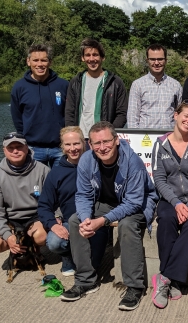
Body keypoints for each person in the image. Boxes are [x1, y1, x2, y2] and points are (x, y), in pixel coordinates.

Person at [60, 121, 159, 311]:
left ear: (116, 141)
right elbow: (83, 195)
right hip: (105, 203)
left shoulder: (133, 162)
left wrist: (102, 221)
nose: (102, 147)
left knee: (127, 225)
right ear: (90, 145)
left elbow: (133, 203)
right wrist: (86, 218)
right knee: (75, 220)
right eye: (97, 143)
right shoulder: (86, 160)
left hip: (139, 202)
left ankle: (134, 287)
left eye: (106, 141)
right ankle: (86, 280)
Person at [150, 101, 188, 309]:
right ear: (175, 116)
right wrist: (177, 203)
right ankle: (175, 279)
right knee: (167, 219)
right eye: (185, 116)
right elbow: (159, 179)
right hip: (171, 199)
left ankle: (165, 278)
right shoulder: (160, 144)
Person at [0, 132, 49, 257]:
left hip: (34, 217)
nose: (15, 151)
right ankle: (15, 248)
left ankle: (34, 247)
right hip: (10, 219)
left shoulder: (42, 170)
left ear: (26, 148)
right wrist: (8, 235)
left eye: (19, 147)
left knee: (42, 237)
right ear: (4, 151)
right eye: (10, 148)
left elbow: (53, 200)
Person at [37, 126, 87, 277]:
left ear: (83, 143)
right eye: (68, 144)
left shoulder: (94, 165)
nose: (73, 148)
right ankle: (67, 256)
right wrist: (52, 224)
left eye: (76, 143)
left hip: (93, 219)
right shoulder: (56, 173)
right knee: (53, 242)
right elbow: (44, 205)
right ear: (62, 147)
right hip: (69, 222)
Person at [10, 44, 69, 167]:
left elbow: (70, 114)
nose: (40, 64)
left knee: (60, 185)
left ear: (50, 62)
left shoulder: (63, 85)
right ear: (28, 61)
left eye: (44, 60)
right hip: (33, 149)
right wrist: (24, 141)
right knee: (35, 186)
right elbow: (17, 118)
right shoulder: (19, 87)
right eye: (35, 60)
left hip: (60, 148)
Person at [64, 39, 127, 138]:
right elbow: (69, 112)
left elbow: (122, 113)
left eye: (95, 55)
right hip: (81, 138)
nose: (92, 59)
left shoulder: (115, 82)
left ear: (102, 57)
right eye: (88, 55)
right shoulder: (76, 82)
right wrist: (72, 134)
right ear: (83, 58)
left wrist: (110, 134)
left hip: (104, 139)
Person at [127, 43, 182, 129]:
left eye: (160, 59)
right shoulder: (137, 85)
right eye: (152, 59)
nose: (156, 63)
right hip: (145, 138)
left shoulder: (176, 85)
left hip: (169, 137)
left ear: (166, 60)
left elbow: (180, 115)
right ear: (147, 61)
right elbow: (132, 118)